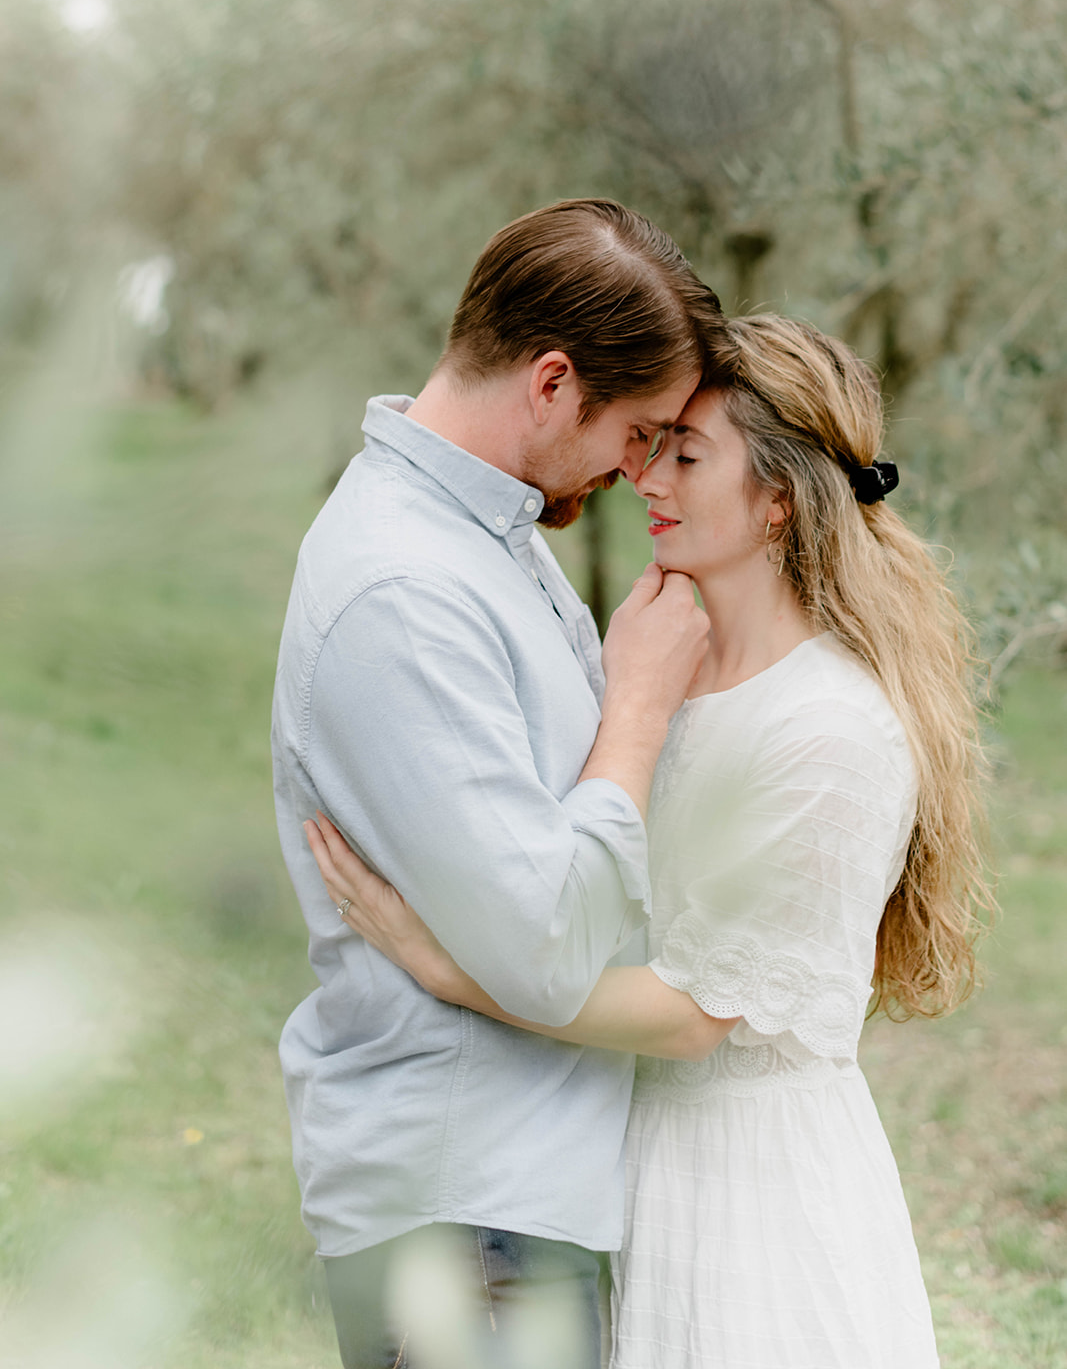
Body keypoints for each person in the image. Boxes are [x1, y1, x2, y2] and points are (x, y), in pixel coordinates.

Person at [308, 313, 992, 1369]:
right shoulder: (661, 663)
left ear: (775, 501)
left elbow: (689, 1018)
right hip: (616, 1164)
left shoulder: (831, 731)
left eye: (684, 454)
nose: (644, 477)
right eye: (650, 444)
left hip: (747, 1202)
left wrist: (445, 965)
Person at [272, 198, 732, 1369]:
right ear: (550, 382)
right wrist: (634, 706)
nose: (637, 473)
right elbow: (541, 945)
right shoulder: (403, 589)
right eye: (634, 433)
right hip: (464, 1219)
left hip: (510, 1204)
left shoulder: (490, 536)